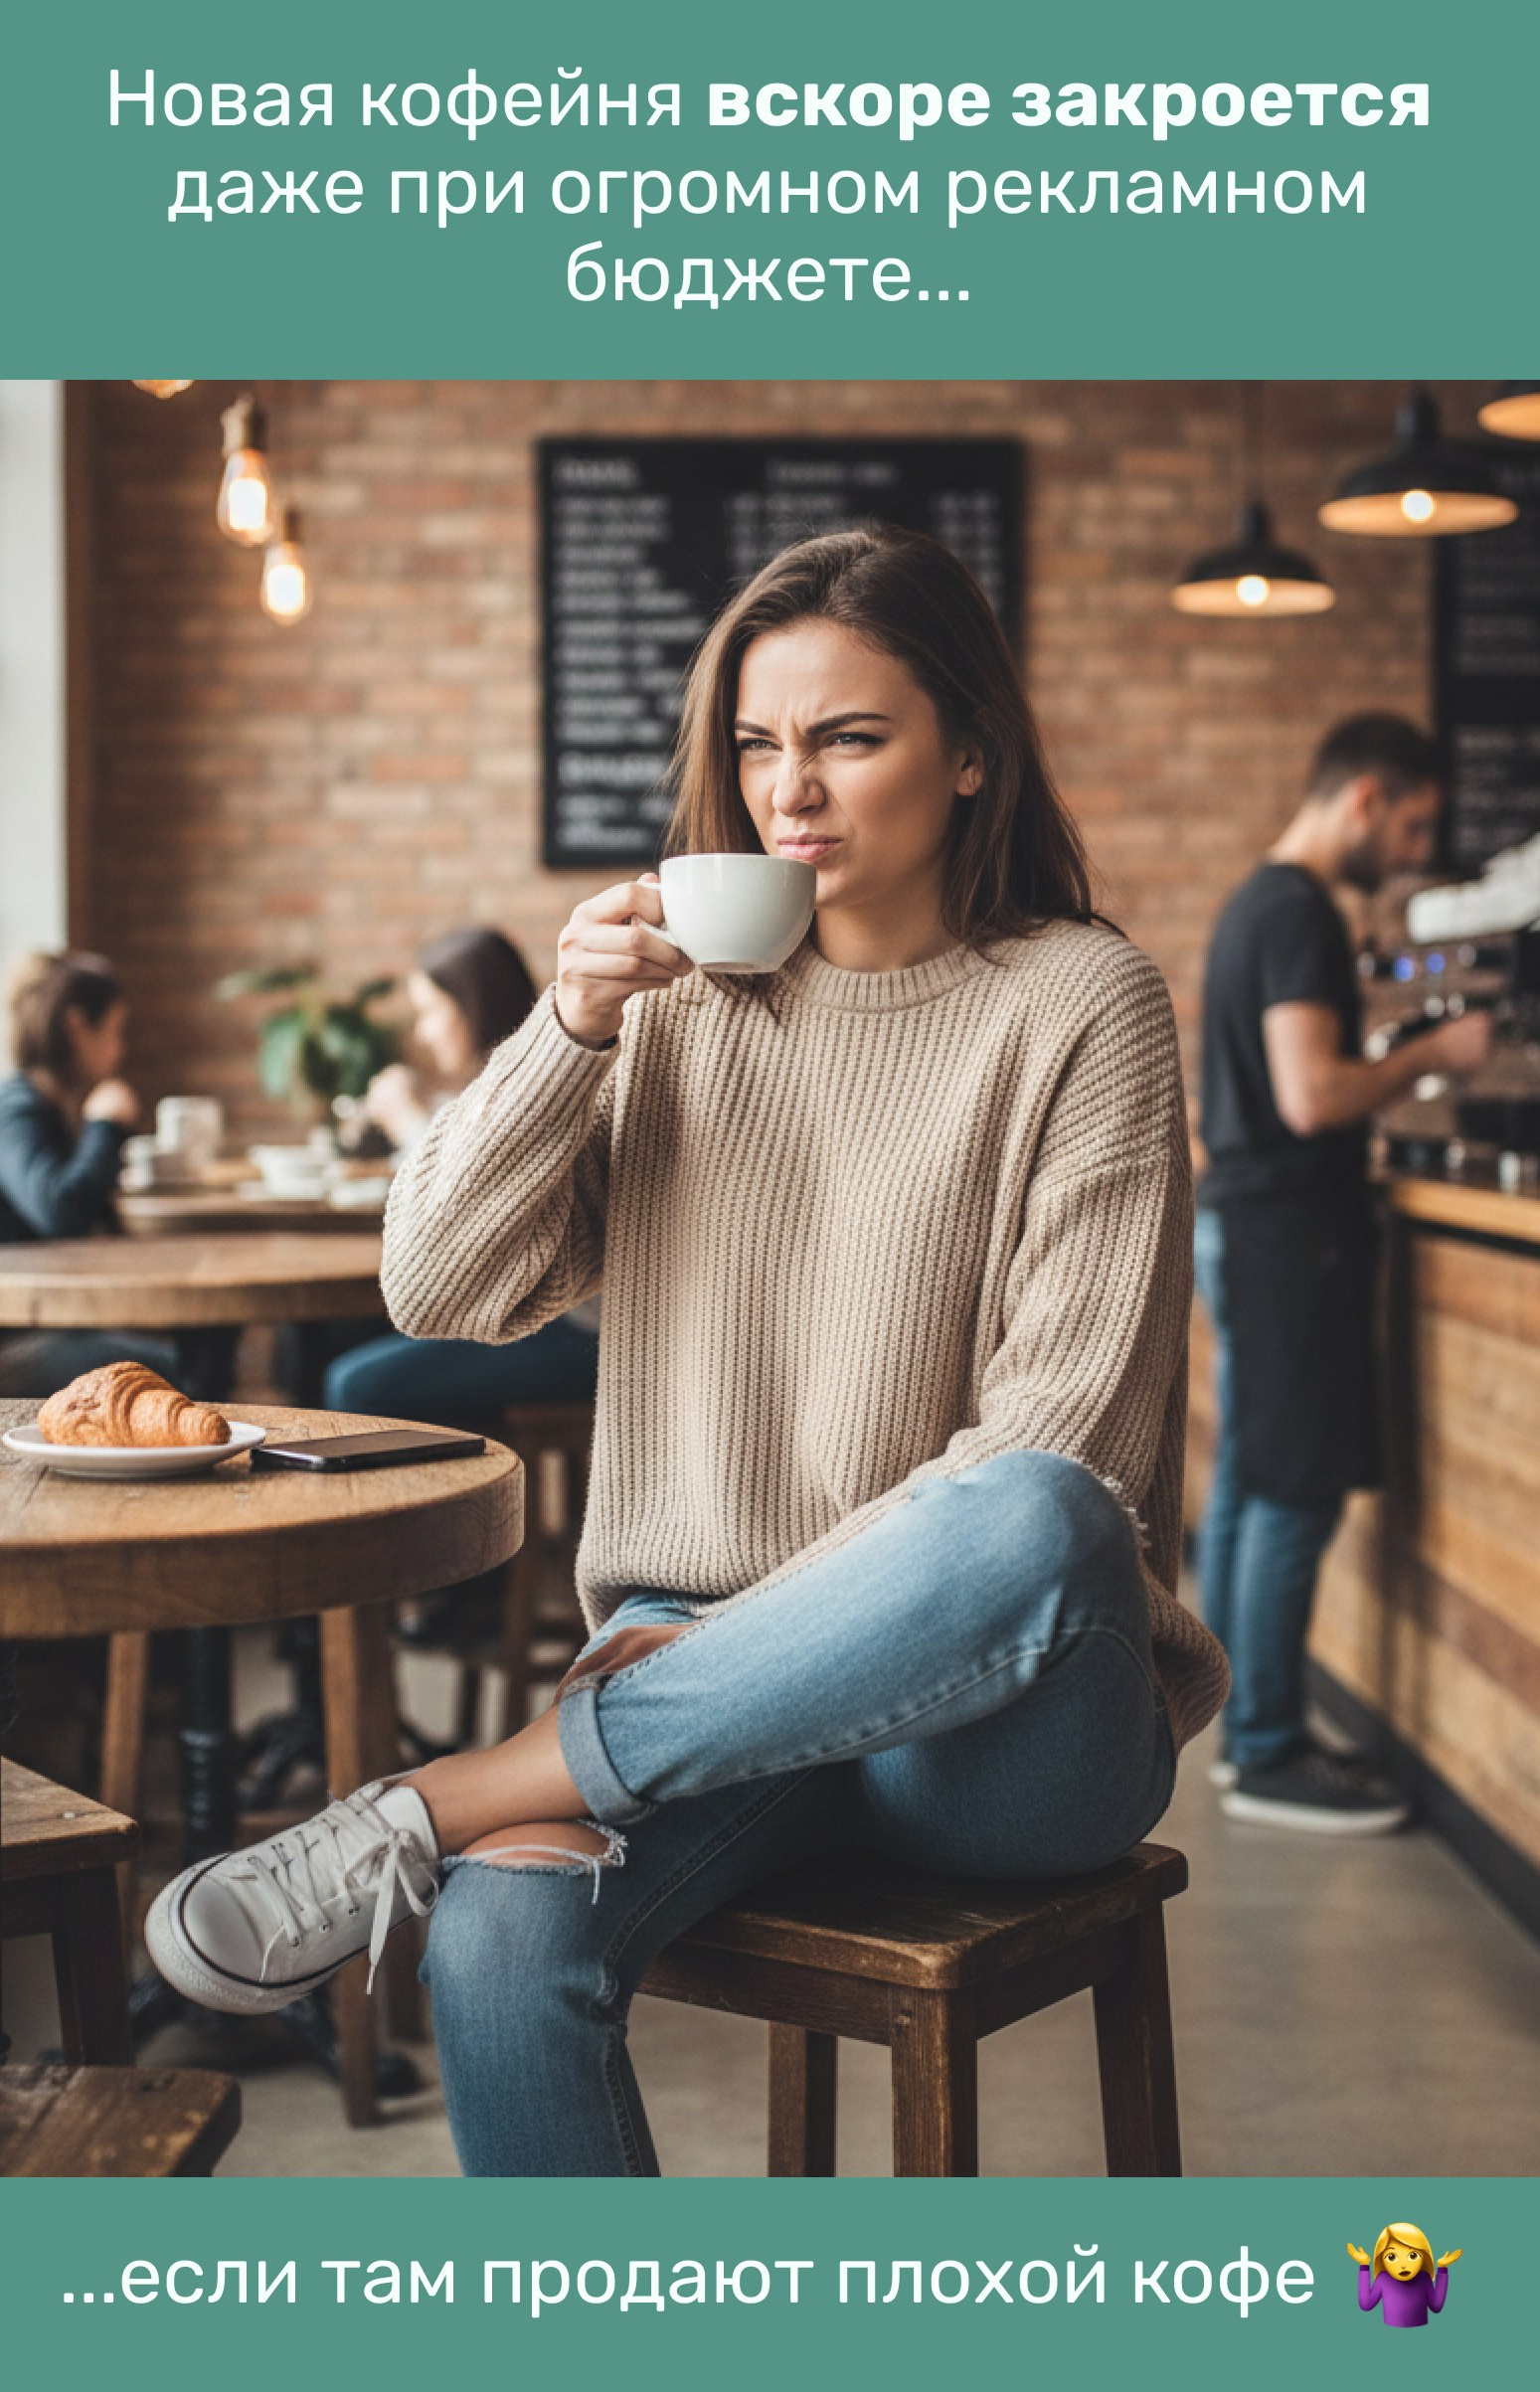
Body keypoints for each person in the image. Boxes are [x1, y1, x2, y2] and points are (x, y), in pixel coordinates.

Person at [147, 524, 1229, 2176]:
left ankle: (439, 1800)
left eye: (845, 738)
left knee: (1034, 1512)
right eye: (754, 744)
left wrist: (716, 1661)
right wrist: (561, 1033)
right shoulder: (672, 1007)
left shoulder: (1080, 1002)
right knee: (500, 1944)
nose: (787, 789)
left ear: (966, 759)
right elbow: (436, 1284)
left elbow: (1062, 1452)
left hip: (997, 1728)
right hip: (703, 1675)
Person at [1195, 716, 1492, 1833]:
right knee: (1290, 1493)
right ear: (1365, 797)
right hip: (1291, 1237)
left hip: (1251, 1224)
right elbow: (1310, 1095)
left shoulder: (1255, 904)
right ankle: (1266, 1751)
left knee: (1248, 1485)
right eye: (1412, 823)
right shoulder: (1299, 910)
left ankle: (1244, 1732)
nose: (1413, 850)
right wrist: (1429, 1056)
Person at [324, 927, 599, 1427]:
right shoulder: (492, 1090)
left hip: (576, 1329)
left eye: (432, 1011)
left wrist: (409, 1119)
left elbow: (472, 1212)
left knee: (356, 1382)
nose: (424, 1034)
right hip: (530, 1317)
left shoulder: (543, 1089)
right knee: (335, 1337)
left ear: (473, 1005)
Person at [0, 949, 180, 1397]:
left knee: (192, 1347)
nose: (120, 1050)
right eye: (116, 1031)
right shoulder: (16, 1111)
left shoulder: (51, 1107)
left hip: (48, 1317)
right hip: (15, 1340)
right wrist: (104, 1126)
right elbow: (61, 1212)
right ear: (77, 1026)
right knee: (175, 1373)